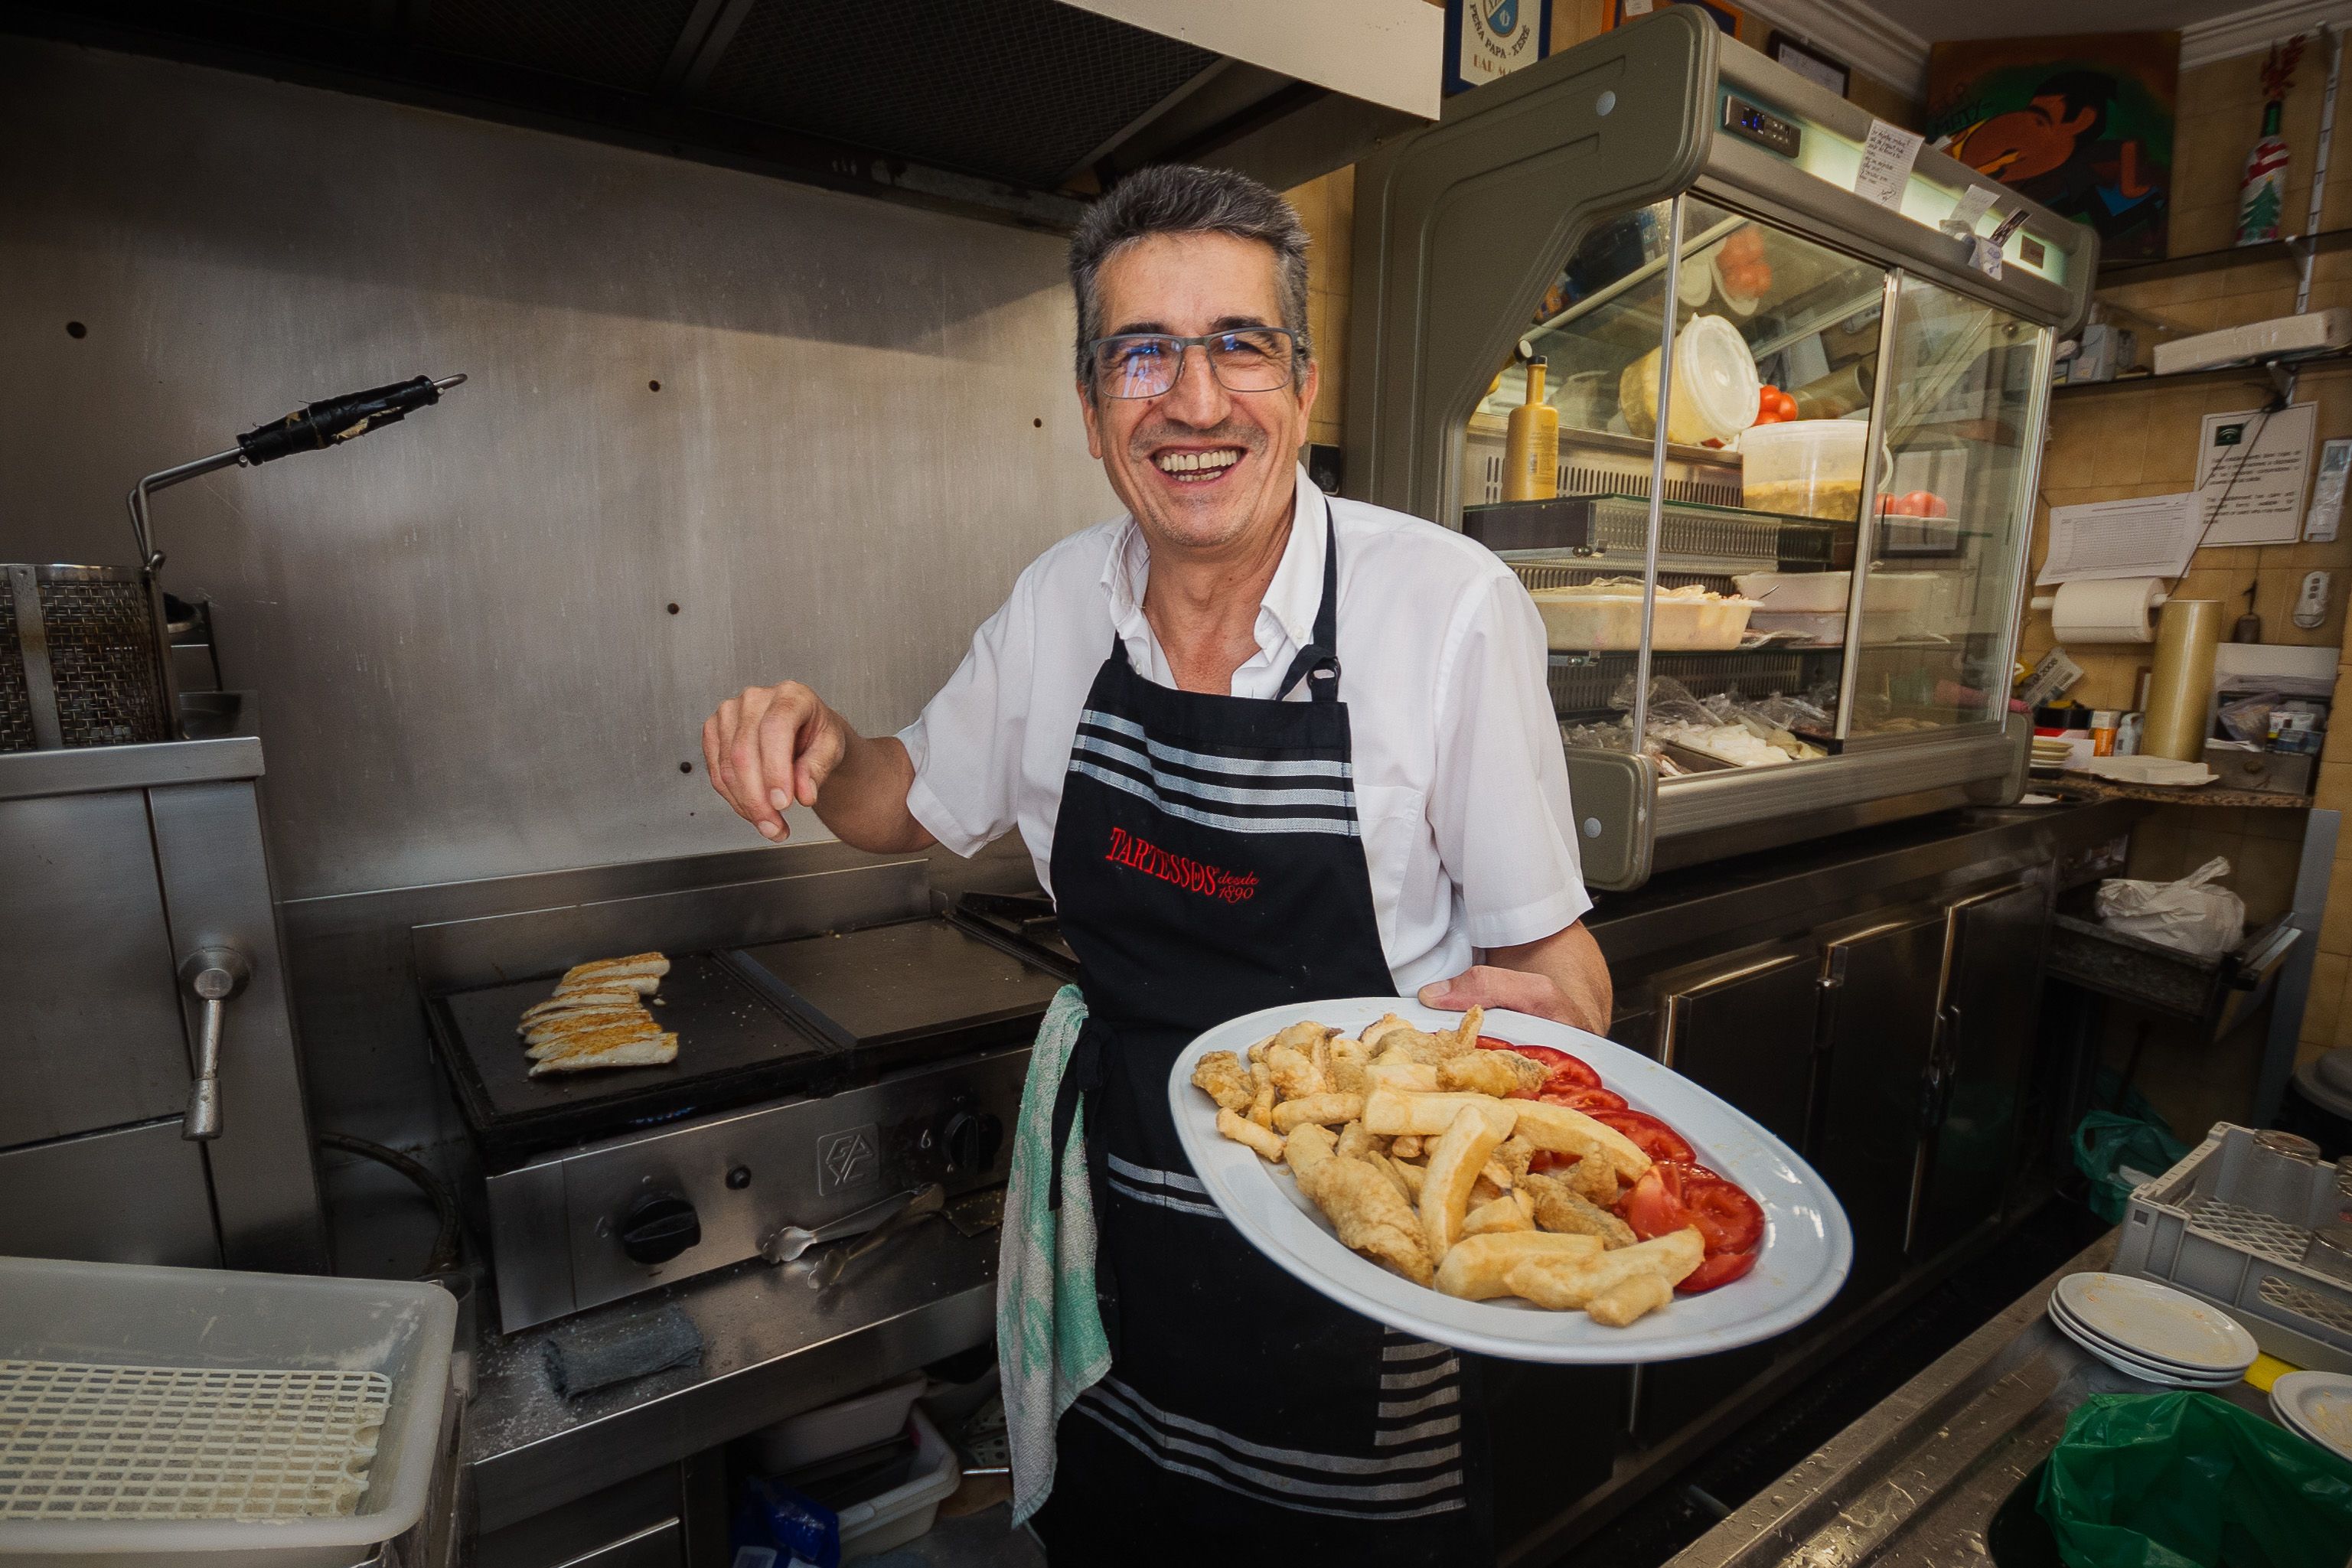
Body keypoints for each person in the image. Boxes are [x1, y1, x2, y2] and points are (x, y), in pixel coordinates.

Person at [702, 164, 1607, 1563]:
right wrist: (824, 744)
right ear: (1090, 412)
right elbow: (902, 798)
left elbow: (1562, 974)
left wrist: (1558, 1039)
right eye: (1143, 354)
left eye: (1237, 344)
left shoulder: (1444, 611)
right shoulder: (1057, 603)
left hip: (1370, 1270)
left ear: (1300, 384)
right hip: (1121, 1251)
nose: (1193, 401)